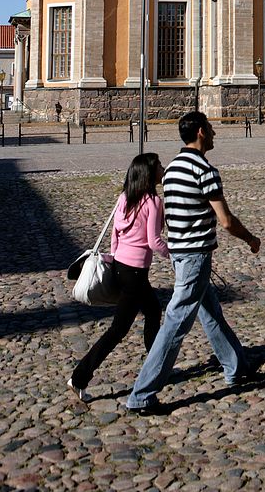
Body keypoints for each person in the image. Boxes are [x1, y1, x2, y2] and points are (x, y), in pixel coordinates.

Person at [126, 111, 260, 414]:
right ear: (200, 132)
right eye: (211, 129)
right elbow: (225, 221)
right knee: (176, 323)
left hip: (179, 254)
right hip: (196, 256)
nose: (214, 133)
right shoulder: (205, 171)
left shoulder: (171, 169)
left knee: (211, 311)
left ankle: (236, 366)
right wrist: (251, 239)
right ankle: (142, 394)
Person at [68, 152, 169, 403]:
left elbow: (114, 235)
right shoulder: (153, 202)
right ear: (149, 173)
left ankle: (153, 365)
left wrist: (117, 258)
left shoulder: (124, 198)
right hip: (135, 273)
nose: (162, 168)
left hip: (122, 267)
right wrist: (177, 254)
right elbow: (154, 241)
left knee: (153, 311)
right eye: (158, 165)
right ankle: (79, 377)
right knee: (117, 330)